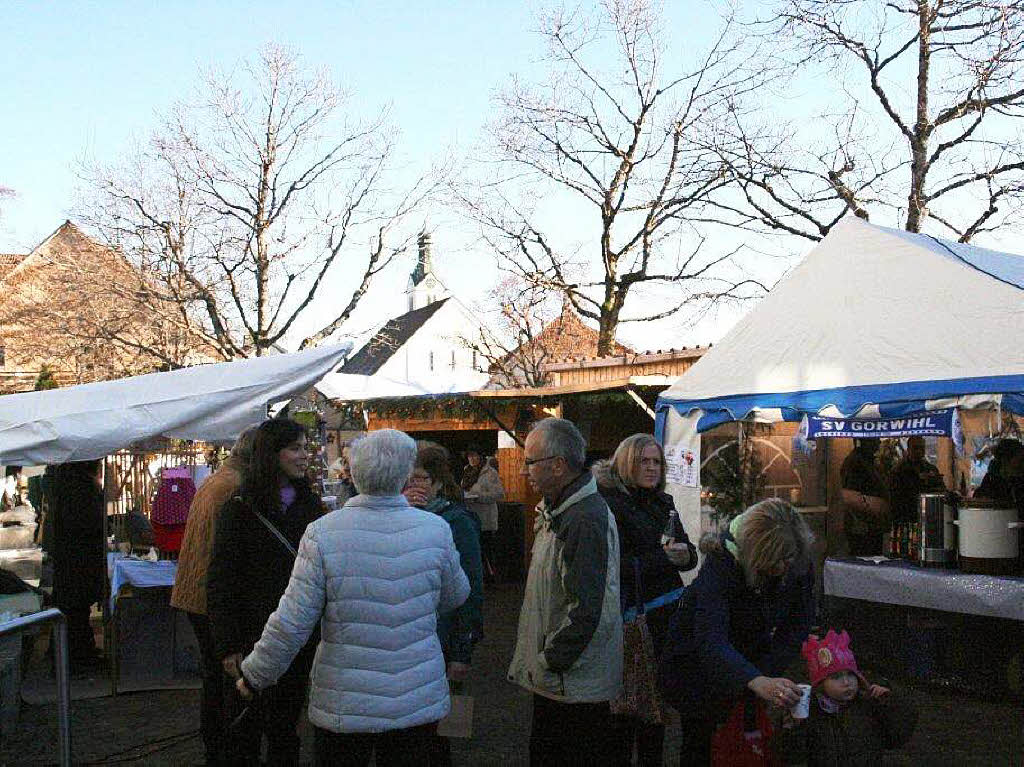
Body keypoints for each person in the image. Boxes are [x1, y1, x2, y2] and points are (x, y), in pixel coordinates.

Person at [234, 429, 470, 767]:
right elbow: (456, 594)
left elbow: (293, 620)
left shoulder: (323, 532)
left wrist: (255, 674)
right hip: (415, 696)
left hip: (344, 701)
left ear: (354, 473)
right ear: (405, 474)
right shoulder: (435, 529)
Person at [659, 498, 815, 767]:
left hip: (749, 656)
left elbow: (797, 624)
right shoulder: (722, 564)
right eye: (776, 562)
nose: (783, 569)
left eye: (789, 560)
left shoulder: (796, 557)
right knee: (701, 744)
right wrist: (756, 680)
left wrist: (766, 674)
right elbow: (710, 639)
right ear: (756, 555)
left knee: (747, 743)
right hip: (696, 669)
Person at [206, 419, 322, 766]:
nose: (304, 456)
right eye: (296, 448)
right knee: (246, 729)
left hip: (297, 636)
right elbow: (221, 578)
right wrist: (227, 645)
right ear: (272, 454)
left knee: (286, 728)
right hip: (251, 635)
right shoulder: (239, 507)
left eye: (305, 447)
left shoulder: (310, 506)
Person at [507, 417, 623, 766]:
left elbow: (589, 607)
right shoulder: (561, 509)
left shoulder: (583, 518)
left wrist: (551, 661)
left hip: (570, 684)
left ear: (557, 466)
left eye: (530, 461)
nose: (525, 469)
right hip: (561, 682)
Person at [593, 433, 697, 767]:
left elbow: (687, 553)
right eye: (644, 461)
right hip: (630, 621)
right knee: (627, 711)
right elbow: (612, 566)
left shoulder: (663, 502)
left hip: (666, 618)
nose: (651, 468)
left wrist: (686, 557)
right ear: (626, 463)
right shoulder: (609, 505)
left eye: (656, 462)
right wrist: (665, 560)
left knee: (657, 709)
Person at [170, 427, 257, 766]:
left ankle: (216, 745)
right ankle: (221, 748)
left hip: (197, 592)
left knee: (215, 676)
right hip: (209, 596)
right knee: (225, 678)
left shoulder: (219, 479)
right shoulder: (232, 487)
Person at [404, 441, 484, 766]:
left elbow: (471, 588)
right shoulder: (397, 516)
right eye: (407, 477)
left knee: (436, 738)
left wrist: (464, 648)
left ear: (437, 481)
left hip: (442, 638)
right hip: (407, 643)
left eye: (421, 477)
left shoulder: (456, 521)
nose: (413, 484)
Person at [778, 629, 917, 766]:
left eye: (850, 675)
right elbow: (792, 757)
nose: (846, 682)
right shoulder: (811, 714)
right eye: (836, 677)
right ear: (820, 684)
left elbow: (898, 736)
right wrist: (792, 728)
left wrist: (890, 700)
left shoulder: (869, 706)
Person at [46, 460, 106, 672]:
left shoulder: (66, 483)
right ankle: (76, 659)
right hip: (77, 562)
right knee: (75, 611)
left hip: (71, 561)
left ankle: (77, 654)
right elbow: (90, 523)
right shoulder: (80, 488)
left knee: (74, 611)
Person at [840, 439, 889, 555]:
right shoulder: (855, 462)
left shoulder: (868, 461)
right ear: (866, 441)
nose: (878, 442)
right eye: (875, 439)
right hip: (863, 528)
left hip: (872, 525)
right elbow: (850, 496)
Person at [889, 436, 945, 525]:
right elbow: (895, 496)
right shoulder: (899, 470)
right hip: (906, 517)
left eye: (921, 448)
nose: (919, 451)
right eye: (915, 448)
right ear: (909, 449)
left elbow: (941, 490)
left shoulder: (931, 469)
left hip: (930, 515)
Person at [466, 455, 504, 582]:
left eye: (474, 456)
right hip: (471, 517)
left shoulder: (490, 473)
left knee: (486, 549)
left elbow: (499, 494)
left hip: (486, 519)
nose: (471, 459)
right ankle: (478, 577)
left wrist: (479, 497)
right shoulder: (467, 471)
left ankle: (490, 578)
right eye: (469, 456)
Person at [975, 438, 1024, 506]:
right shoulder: (991, 481)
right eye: (1020, 460)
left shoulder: (1019, 480)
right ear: (1005, 460)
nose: (1022, 464)